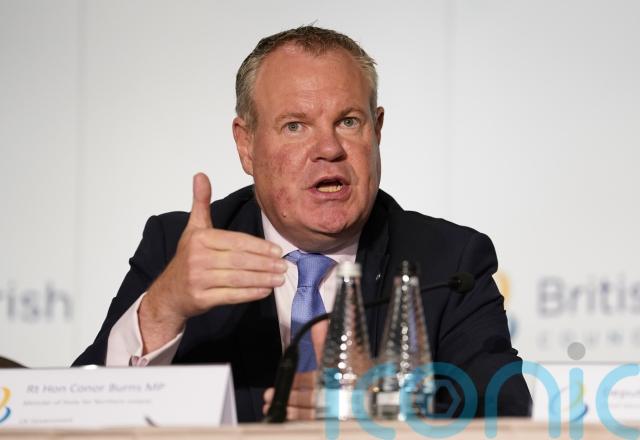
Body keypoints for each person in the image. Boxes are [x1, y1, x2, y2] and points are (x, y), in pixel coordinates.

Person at [74, 26, 531, 422]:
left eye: (348, 121)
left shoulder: (448, 263)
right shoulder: (182, 250)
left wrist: (385, 407)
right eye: (295, 126)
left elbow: (505, 414)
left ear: (377, 131)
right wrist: (162, 309)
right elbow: (75, 415)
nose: (329, 148)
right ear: (246, 144)